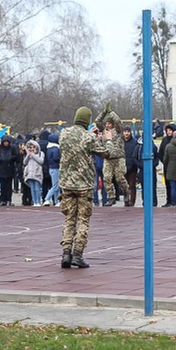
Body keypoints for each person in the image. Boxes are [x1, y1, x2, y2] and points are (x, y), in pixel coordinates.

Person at [58, 106, 107, 269]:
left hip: (66, 183)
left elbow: (74, 144)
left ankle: (66, 253)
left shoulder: (64, 133)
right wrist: (105, 139)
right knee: (83, 220)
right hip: (84, 185)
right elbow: (104, 152)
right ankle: (77, 254)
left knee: (69, 218)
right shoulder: (89, 137)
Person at [95, 103, 128, 206]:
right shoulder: (104, 131)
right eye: (106, 124)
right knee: (107, 178)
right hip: (108, 157)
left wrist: (111, 112)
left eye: (109, 123)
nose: (107, 125)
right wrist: (104, 112)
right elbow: (97, 121)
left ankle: (126, 192)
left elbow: (118, 121)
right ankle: (111, 196)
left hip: (119, 157)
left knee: (119, 178)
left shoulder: (118, 130)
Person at [0, 135, 18, 206]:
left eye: (7, 142)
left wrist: (10, 158)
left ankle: (8, 199)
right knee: (3, 186)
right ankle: (3, 199)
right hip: (2, 169)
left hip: (10, 169)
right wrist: (1, 159)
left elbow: (16, 157)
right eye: (4, 142)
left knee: (9, 186)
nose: (6, 143)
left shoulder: (12, 148)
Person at [157, 123, 176, 207]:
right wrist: (164, 161)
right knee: (168, 184)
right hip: (166, 165)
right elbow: (161, 152)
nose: (168, 132)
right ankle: (168, 200)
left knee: (175, 184)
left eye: (170, 130)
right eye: (167, 130)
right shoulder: (164, 140)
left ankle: (175, 201)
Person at [23, 138, 45, 206]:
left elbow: (41, 161)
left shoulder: (41, 153)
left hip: (37, 173)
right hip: (30, 173)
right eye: (30, 147)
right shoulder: (28, 154)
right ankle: (34, 201)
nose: (32, 149)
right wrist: (28, 156)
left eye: (33, 147)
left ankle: (38, 201)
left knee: (37, 188)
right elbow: (25, 162)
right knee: (32, 188)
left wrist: (33, 155)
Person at [121, 126, 139, 207]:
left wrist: (134, 164)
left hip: (132, 168)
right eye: (125, 132)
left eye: (128, 132)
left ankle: (132, 201)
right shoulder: (121, 142)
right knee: (124, 185)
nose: (126, 133)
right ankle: (126, 201)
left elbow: (135, 155)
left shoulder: (134, 142)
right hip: (122, 167)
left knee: (132, 185)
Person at [42, 133, 61, 206]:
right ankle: (47, 198)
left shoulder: (49, 148)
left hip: (51, 168)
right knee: (55, 186)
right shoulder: (55, 148)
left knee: (56, 185)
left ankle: (57, 200)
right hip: (55, 168)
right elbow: (56, 158)